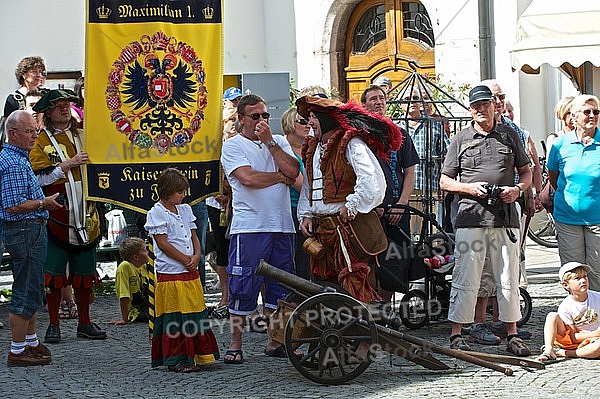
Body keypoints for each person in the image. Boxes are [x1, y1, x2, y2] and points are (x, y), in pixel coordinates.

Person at [440, 85, 532, 356]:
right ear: (470, 110)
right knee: (466, 276)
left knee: (508, 277)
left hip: (504, 219)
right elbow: (444, 180)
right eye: (476, 105)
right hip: (470, 218)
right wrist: (469, 188)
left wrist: (517, 190)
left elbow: (525, 172)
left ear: (495, 105)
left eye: (485, 104)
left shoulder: (509, 135)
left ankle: (512, 333)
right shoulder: (460, 139)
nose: (481, 109)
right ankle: (457, 333)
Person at [296, 95, 400, 303]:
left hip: (348, 227)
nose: (309, 122)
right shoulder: (312, 148)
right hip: (323, 228)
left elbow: (372, 181)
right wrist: (306, 214)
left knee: (353, 277)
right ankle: (337, 328)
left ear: (326, 119)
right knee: (327, 280)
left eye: (314, 116)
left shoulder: (350, 143)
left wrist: (352, 205)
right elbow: (310, 185)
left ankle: (362, 327)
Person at [220, 94, 300, 364]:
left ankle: (275, 341)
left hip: (282, 225)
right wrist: (279, 177)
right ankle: (235, 343)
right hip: (250, 227)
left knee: (281, 286)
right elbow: (247, 178)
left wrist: (270, 144)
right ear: (241, 119)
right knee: (243, 284)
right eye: (255, 116)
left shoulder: (276, 142)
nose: (262, 121)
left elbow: (294, 170)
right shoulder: (233, 146)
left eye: (265, 115)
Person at [29, 89, 106, 343]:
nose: (64, 109)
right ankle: (53, 324)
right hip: (58, 217)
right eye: (58, 105)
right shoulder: (41, 142)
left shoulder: (85, 134)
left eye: (67, 104)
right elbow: (37, 177)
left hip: (87, 214)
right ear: (48, 112)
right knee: (54, 274)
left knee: (84, 273)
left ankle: (84, 322)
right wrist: (67, 165)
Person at [1, 110, 62, 366]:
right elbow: (12, 205)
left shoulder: (18, 158)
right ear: (13, 133)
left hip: (29, 229)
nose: (34, 136)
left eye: (35, 131)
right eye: (29, 132)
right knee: (26, 289)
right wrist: (43, 203)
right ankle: (17, 350)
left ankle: (30, 342)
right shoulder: (13, 162)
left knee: (34, 287)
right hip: (24, 229)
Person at [144, 168, 219, 372]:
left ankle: (198, 354)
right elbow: (163, 244)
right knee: (175, 316)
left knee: (194, 310)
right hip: (171, 271)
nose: (183, 195)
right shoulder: (156, 213)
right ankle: (176, 357)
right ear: (167, 192)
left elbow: (194, 235)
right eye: (179, 192)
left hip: (189, 270)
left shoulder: (185, 209)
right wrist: (184, 259)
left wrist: (196, 255)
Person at [361, 84, 419, 298]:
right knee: (368, 260)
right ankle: (370, 306)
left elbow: (410, 171)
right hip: (369, 210)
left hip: (396, 208)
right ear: (364, 105)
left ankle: (386, 309)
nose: (378, 102)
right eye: (373, 99)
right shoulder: (359, 137)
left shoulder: (400, 135)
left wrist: (402, 203)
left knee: (393, 262)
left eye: (381, 98)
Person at [548, 94, 600, 291]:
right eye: (587, 112)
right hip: (567, 219)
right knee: (573, 273)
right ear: (574, 116)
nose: (592, 116)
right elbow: (555, 178)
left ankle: (596, 317)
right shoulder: (560, 145)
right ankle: (577, 318)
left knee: (597, 272)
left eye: (596, 112)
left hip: (598, 219)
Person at [205, 106, 238, 319]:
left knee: (240, 251)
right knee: (221, 251)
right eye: (230, 120)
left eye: (236, 119)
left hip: (239, 204)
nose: (234, 124)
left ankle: (240, 298)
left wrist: (230, 194)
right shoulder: (213, 147)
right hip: (217, 205)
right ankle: (225, 296)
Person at [537, 262, 600, 363]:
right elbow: (574, 338)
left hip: (595, 341)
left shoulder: (597, 297)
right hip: (573, 340)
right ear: (565, 285)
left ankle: (567, 353)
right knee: (552, 316)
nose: (583, 280)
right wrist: (595, 333)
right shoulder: (566, 306)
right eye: (577, 278)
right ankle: (549, 350)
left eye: (585, 276)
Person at [281, 105, 310, 280]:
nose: (308, 125)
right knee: (298, 259)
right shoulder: (283, 149)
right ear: (291, 123)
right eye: (303, 121)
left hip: (311, 208)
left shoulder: (310, 147)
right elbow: (300, 185)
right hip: (292, 209)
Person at [110, 237, 150, 324]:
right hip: (137, 312)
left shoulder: (145, 266)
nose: (148, 252)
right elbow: (123, 295)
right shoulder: (125, 267)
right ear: (136, 257)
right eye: (145, 250)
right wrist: (124, 319)